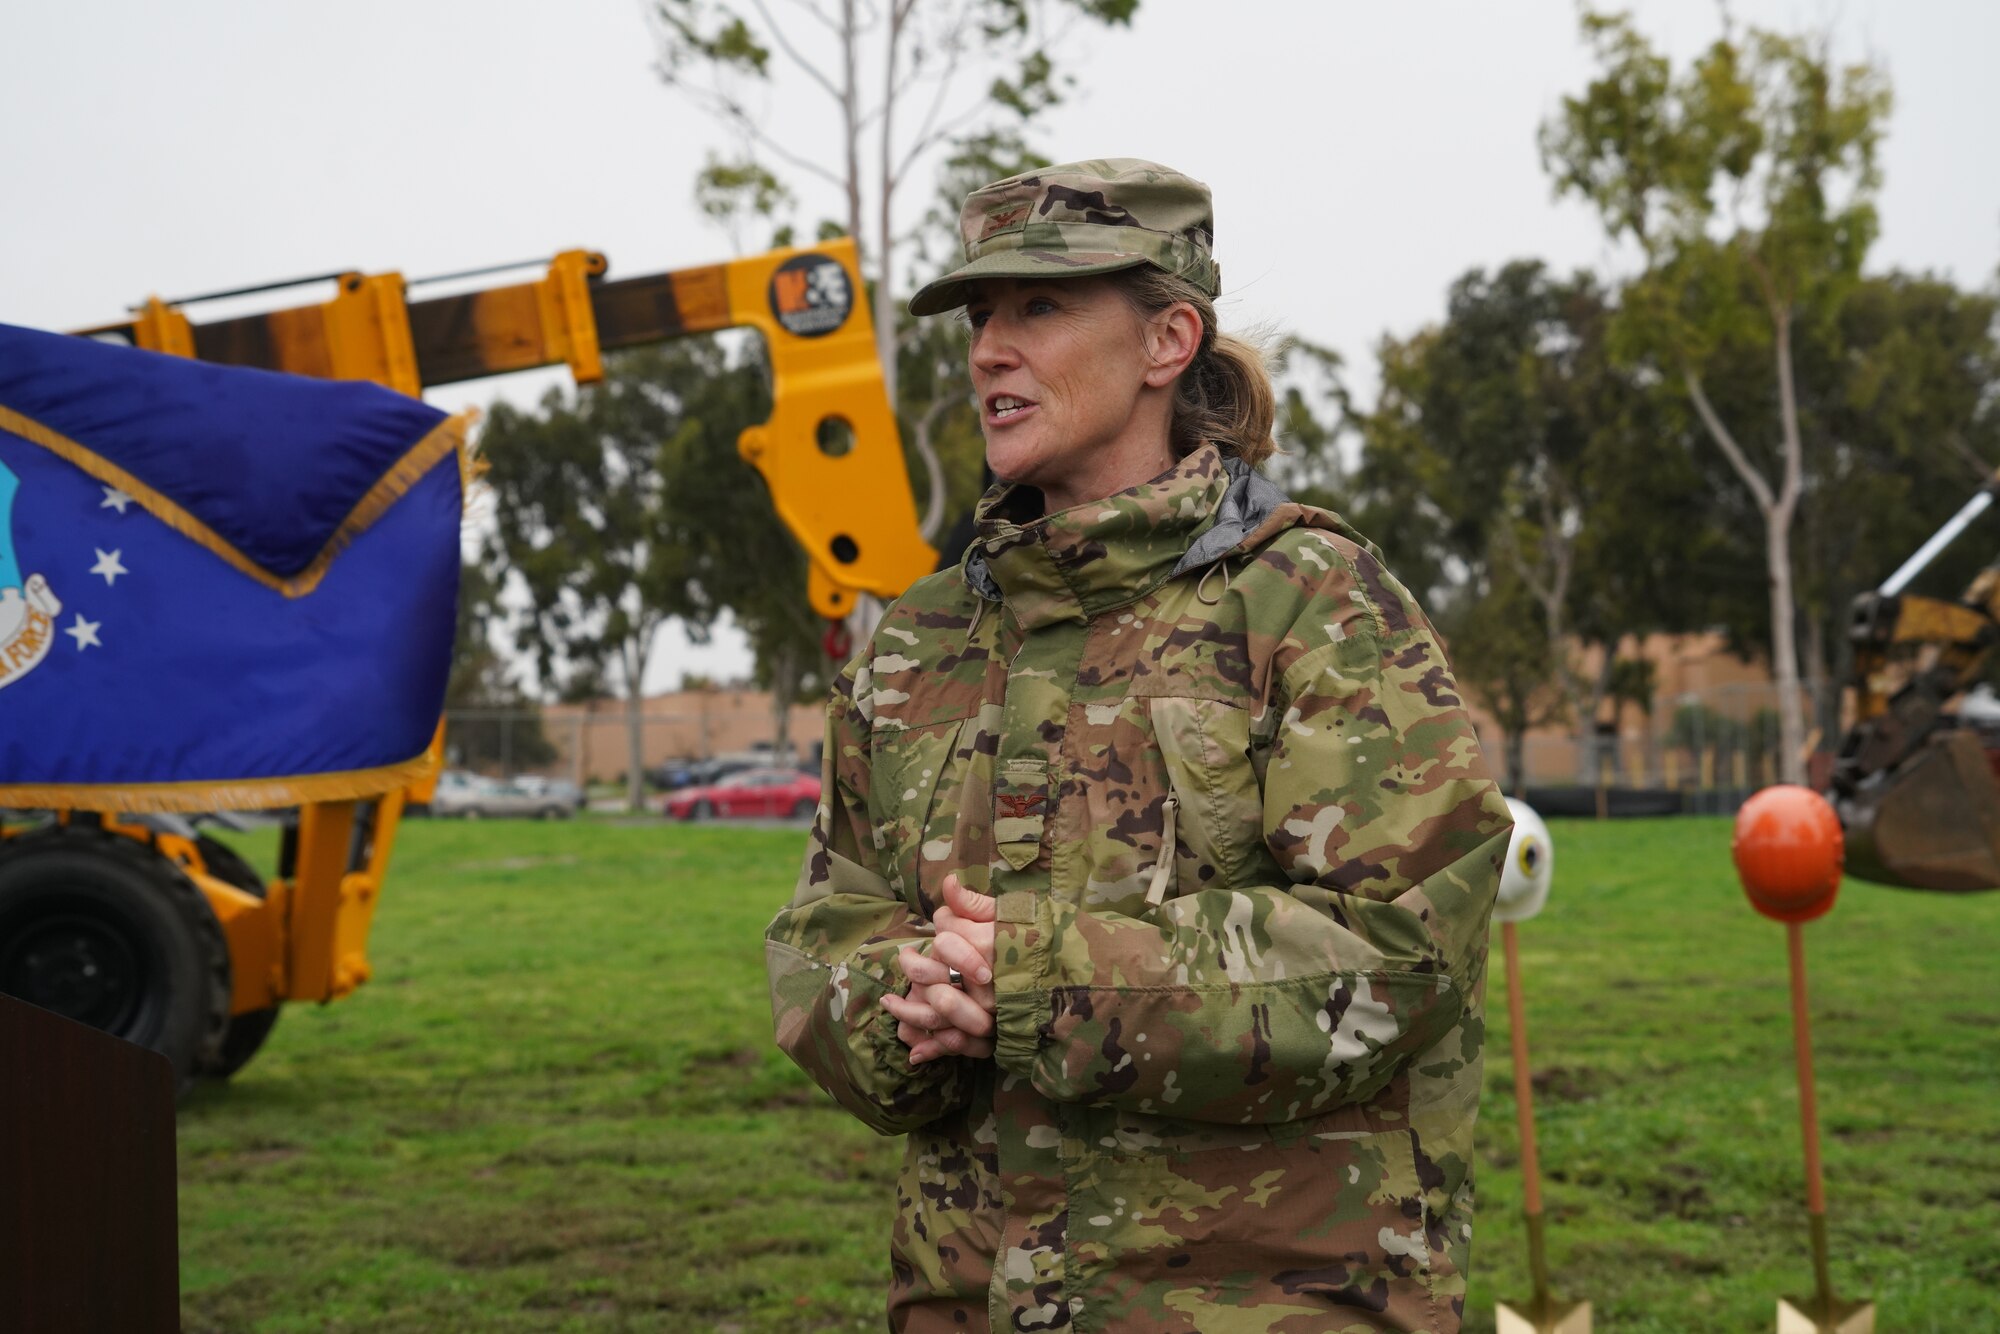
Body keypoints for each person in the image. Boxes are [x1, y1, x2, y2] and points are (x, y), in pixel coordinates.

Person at [766, 158, 1511, 1333]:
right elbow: (825, 929)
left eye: (1039, 307)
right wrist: (902, 1004)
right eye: (980, 316)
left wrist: (1029, 979)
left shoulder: (1311, 603)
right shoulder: (917, 643)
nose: (987, 351)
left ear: (1167, 339)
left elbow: (1399, 948)